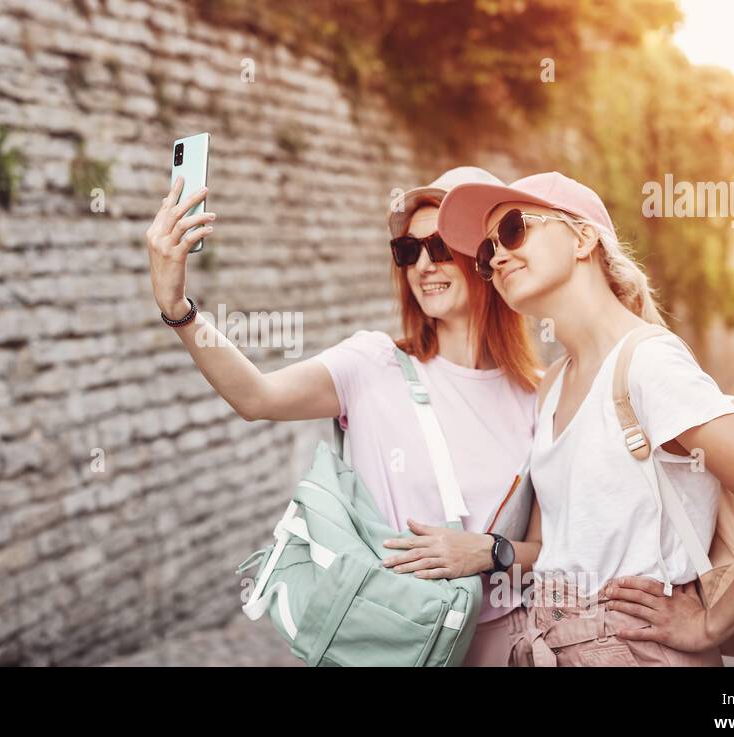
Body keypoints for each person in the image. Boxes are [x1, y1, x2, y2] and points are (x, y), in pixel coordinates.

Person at [143, 167, 543, 666]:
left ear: (482, 256)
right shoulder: (372, 364)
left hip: (496, 649)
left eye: (439, 246)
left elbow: (551, 551)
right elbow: (256, 396)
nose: (422, 265)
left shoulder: (539, 398)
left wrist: (488, 550)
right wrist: (178, 307)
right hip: (386, 645)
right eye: (407, 252)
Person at [436, 171, 734, 666]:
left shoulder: (649, 365)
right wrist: (486, 551)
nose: (495, 256)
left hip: (632, 651)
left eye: (513, 229)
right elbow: (548, 546)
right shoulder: (552, 386)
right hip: (550, 647)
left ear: (582, 238)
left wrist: (711, 623)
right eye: (486, 251)